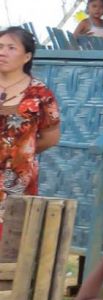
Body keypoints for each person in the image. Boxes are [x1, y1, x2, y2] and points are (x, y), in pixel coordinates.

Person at [0, 27, 61, 241]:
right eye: (0, 47)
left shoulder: (40, 94)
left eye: (11, 48)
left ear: (27, 56)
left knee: (10, 242)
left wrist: (20, 152)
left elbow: (51, 137)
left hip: (16, 182)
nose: (3, 52)